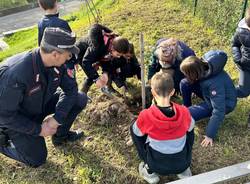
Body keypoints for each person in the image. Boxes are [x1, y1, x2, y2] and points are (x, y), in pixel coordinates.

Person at [0, 27, 87, 167]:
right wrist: (38, 130)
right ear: (55, 54)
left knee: (79, 98)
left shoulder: (58, 64)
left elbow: (71, 90)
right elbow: (5, 116)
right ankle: (3, 142)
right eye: (68, 54)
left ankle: (60, 136)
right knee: (37, 159)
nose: (69, 57)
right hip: (17, 118)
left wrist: (56, 119)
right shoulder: (15, 75)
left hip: (39, 104)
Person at [130, 72, 195, 184]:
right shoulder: (184, 112)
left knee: (134, 129)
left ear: (153, 92)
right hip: (182, 162)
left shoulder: (146, 115)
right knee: (190, 129)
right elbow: (190, 132)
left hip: (156, 165)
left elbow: (136, 133)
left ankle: (149, 171)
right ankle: (184, 171)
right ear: (173, 92)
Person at [180, 50, 237, 147]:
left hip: (225, 103)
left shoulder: (214, 84)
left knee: (186, 114)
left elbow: (219, 110)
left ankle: (188, 111)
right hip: (209, 92)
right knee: (184, 83)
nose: (185, 76)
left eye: (187, 74)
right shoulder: (204, 66)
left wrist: (209, 135)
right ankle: (187, 105)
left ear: (194, 73)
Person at [76, 23, 130, 94]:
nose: (119, 56)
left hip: (97, 53)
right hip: (82, 53)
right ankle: (82, 93)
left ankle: (108, 88)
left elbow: (106, 61)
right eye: (118, 54)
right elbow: (86, 62)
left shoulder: (114, 41)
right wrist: (96, 78)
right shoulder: (98, 45)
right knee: (91, 73)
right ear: (113, 48)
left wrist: (105, 72)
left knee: (108, 70)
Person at [231, 8, 250, 127]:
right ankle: (222, 92)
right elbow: (235, 44)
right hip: (246, 67)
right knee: (243, 91)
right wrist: (238, 59)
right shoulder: (242, 30)